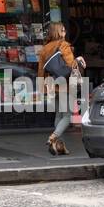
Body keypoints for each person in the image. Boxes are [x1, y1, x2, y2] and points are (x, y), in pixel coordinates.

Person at [37, 21, 85, 157]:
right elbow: (71, 65)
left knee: (59, 115)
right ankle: (53, 137)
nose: (65, 33)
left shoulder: (44, 49)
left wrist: (42, 88)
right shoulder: (64, 45)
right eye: (63, 31)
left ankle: (58, 146)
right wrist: (79, 59)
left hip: (52, 85)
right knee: (68, 116)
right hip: (65, 85)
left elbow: (41, 70)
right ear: (58, 32)